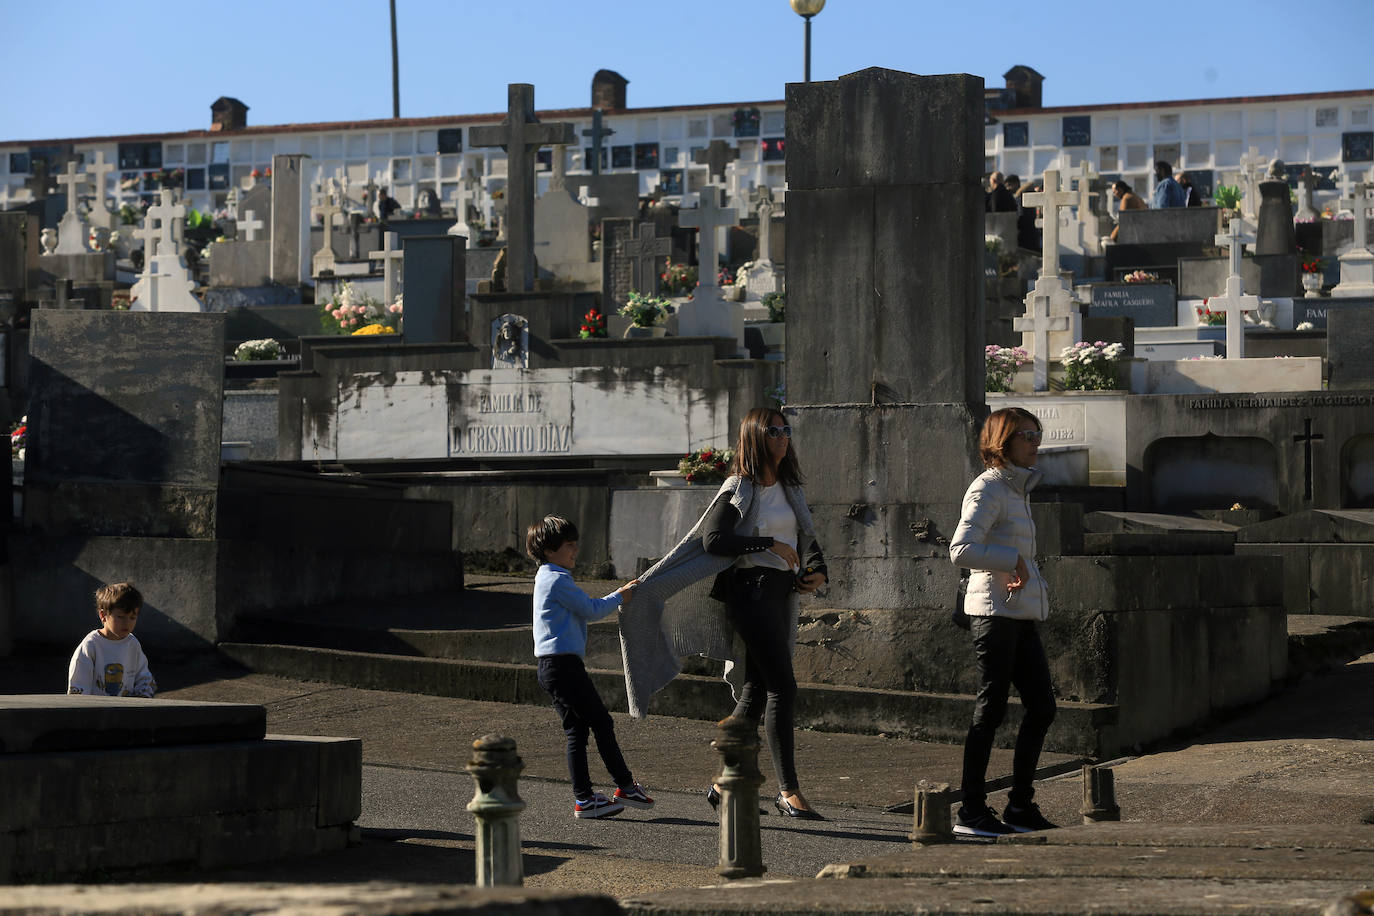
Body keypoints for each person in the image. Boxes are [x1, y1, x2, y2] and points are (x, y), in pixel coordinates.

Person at [621, 407, 829, 820]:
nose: (783, 437)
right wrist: (767, 544)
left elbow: (806, 538)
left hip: (780, 594)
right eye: (774, 431)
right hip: (749, 595)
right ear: (755, 436)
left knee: (754, 691)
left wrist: (818, 571)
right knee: (782, 688)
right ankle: (788, 791)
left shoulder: (789, 486)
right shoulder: (741, 486)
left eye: (786, 430)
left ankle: (723, 783)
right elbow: (715, 539)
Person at [949, 408, 1058, 838]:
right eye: (1027, 435)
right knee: (990, 709)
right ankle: (971, 812)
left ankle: (1019, 806)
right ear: (1004, 441)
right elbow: (961, 550)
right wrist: (1010, 559)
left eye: (1037, 434)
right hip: (994, 612)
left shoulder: (1016, 489)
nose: (1036, 443)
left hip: (1018, 610)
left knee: (1042, 706)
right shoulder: (990, 488)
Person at [528, 515, 653, 819]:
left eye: (575, 545)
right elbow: (591, 610)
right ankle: (622, 786)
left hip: (553, 666)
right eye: (569, 546)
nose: (575, 551)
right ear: (549, 550)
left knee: (577, 730)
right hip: (563, 666)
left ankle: (586, 798)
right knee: (601, 722)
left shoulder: (547, 576)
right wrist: (620, 595)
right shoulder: (556, 579)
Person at [67, 582, 157, 697]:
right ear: (103, 615)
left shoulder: (132, 644)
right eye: (120, 617)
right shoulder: (91, 645)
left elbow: (144, 679)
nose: (127, 623)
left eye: (132, 618)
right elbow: (78, 688)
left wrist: (142, 700)